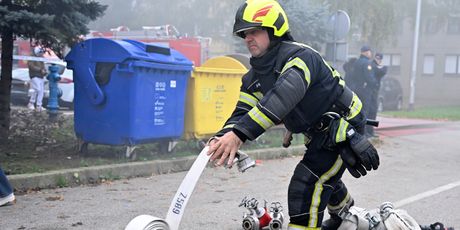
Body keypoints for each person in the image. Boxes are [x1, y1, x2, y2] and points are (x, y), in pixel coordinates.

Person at [207, 1, 379, 229]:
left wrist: (239, 135)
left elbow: (284, 95)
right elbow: (242, 111)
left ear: (274, 30)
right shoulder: (254, 77)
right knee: (324, 176)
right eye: (244, 33)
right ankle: (348, 217)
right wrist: (224, 135)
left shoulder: (300, 57)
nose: (248, 38)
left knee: (306, 185)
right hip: (318, 131)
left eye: (255, 31)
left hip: (343, 124)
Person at [349, 45, 377, 137]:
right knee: (365, 110)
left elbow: (352, 76)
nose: (370, 54)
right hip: (365, 91)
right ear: (366, 52)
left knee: (358, 110)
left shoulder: (356, 62)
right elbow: (369, 78)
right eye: (370, 52)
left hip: (357, 89)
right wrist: (375, 83)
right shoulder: (367, 63)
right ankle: (364, 132)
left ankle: (358, 130)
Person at [366, 52, 388, 137]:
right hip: (371, 91)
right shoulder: (372, 65)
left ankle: (370, 131)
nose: (378, 60)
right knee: (371, 111)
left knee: (373, 111)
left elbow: (382, 71)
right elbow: (381, 71)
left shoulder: (375, 66)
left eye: (380, 59)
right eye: (377, 58)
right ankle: (369, 131)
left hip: (374, 91)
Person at [27, 46, 48, 112]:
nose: (41, 54)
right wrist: (40, 70)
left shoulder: (41, 58)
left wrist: (44, 71)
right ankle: (31, 103)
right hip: (34, 75)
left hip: (41, 76)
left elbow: (43, 66)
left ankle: (39, 105)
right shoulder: (31, 57)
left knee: (41, 91)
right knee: (38, 89)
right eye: (40, 52)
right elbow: (31, 66)